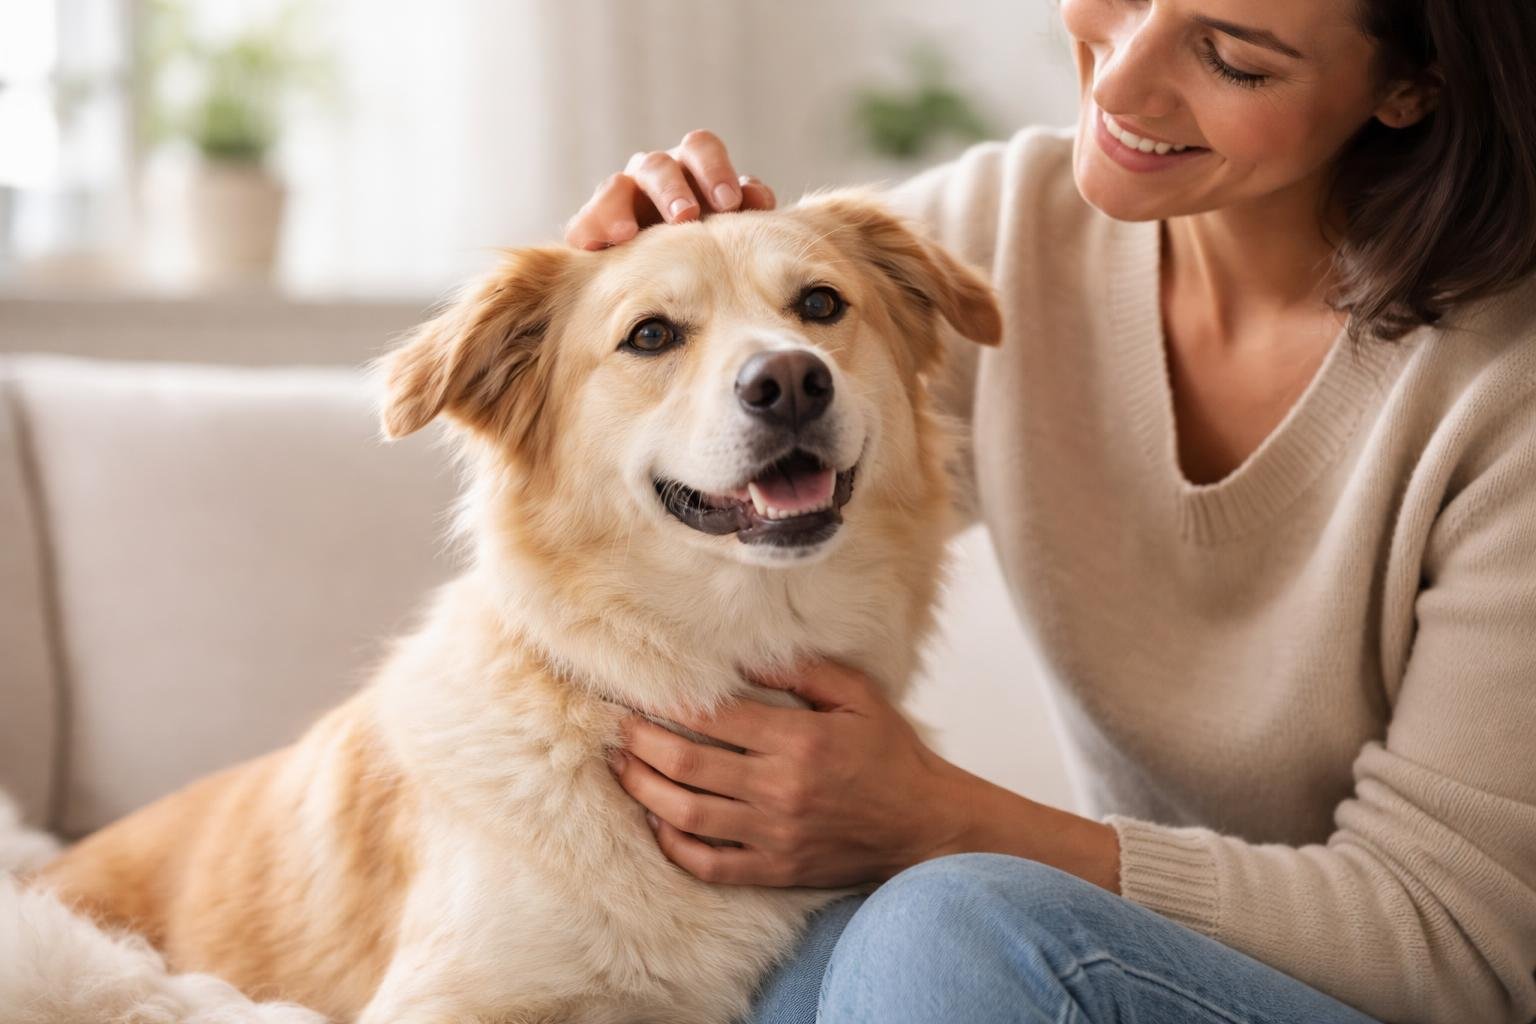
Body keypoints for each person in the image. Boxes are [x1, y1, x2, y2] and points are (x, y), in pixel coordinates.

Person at [566, 1, 1536, 1021]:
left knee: (946, 928)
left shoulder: (1505, 395)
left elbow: (1458, 944)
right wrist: (623, 294)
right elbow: (671, 472)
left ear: (1410, 86)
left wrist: (941, 818)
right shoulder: (1004, 226)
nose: (1118, 84)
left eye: (1232, 59)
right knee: (786, 959)